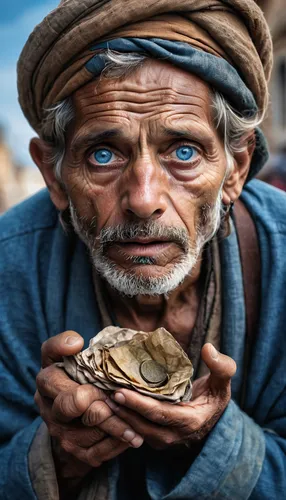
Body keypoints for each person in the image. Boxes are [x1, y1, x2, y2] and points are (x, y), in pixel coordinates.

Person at [0, 0, 285, 498]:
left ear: (236, 168)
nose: (143, 199)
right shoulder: (9, 269)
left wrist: (215, 443)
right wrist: (56, 455)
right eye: (103, 154)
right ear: (54, 175)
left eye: (184, 152)